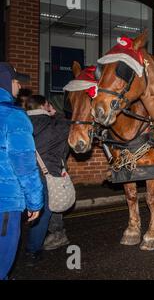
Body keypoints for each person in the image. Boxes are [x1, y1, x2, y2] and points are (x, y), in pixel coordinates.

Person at [0, 62, 43, 279]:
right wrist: (35, 202)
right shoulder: (14, 117)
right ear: (6, 83)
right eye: (16, 82)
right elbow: (25, 166)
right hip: (5, 203)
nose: (19, 87)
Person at [24, 95, 71, 262]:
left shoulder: (22, 122)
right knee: (42, 214)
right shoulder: (55, 124)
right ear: (45, 106)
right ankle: (32, 250)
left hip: (22, 175)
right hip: (46, 176)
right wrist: (56, 114)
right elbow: (67, 130)